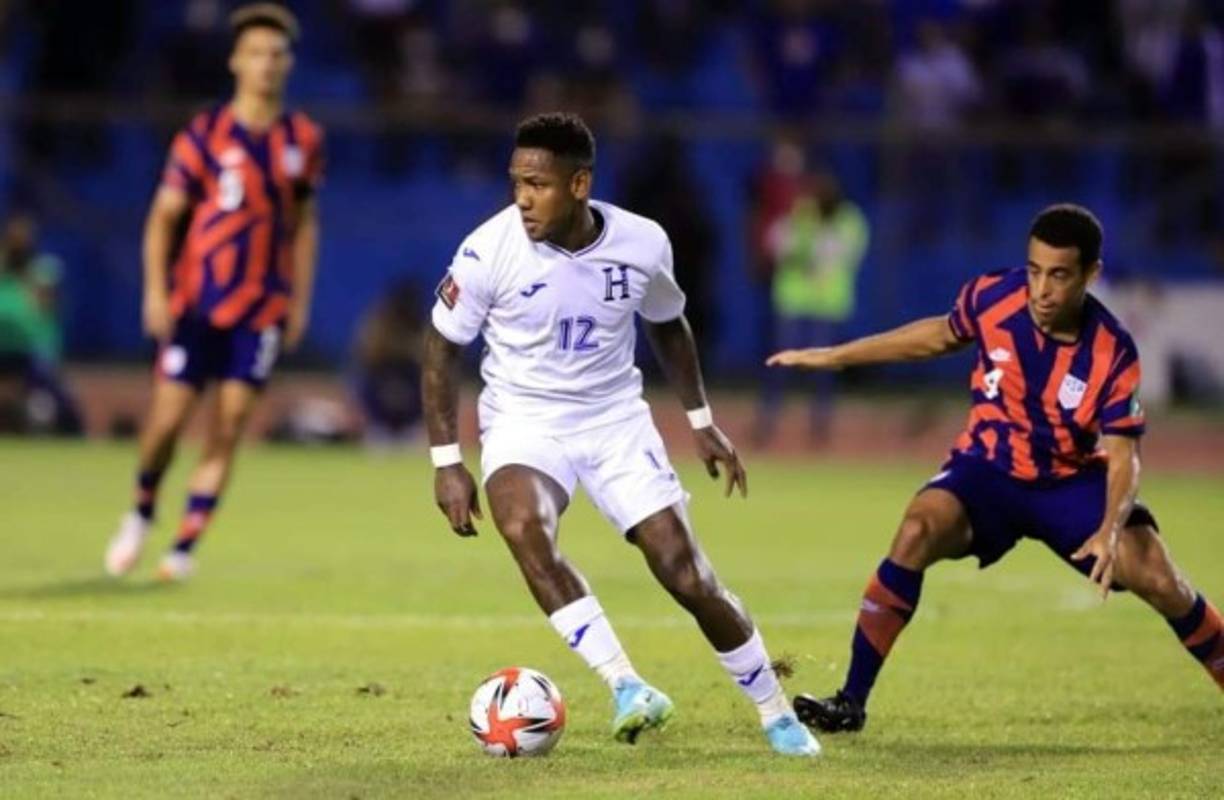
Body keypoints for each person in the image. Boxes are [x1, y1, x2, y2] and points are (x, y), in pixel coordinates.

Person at [422, 112, 820, 756]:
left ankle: (776, 714)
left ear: (579, 184)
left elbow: (667, 322)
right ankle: (627, 686)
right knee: (523, 527)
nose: (522, 198)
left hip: (614, 422)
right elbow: (441, 348)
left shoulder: (642, 242)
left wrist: (701, 421)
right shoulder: (486, 250)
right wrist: (447, 461)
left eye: (537, 184)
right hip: (524, 419)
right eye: (516, 182)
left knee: (686, 574)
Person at [768, 204, 1223, 734]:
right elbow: (937, 335)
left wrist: (1110, 528)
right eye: (1035, 271)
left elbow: (1125, 455)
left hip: (1067, 485)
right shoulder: (993, 296)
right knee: (916, 530)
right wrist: (835, 356)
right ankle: (851, 702)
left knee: (1161, 579)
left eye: (1059, 275)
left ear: (1090, 274)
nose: (1041, 290)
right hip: (984, 473)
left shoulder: (1112, 350)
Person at [104, 3, 323, 581]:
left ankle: (182, 547)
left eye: (276, 54)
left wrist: (299, 302)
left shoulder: (302, 140)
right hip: (197, 302)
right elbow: (163, 218)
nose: (266, 64)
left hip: (262, 308)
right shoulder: (204, 135)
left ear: (288, 63)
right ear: (235, 61)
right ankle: (141, 510)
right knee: (166, 423)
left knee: (229, 425)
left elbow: (304, 226)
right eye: (255, 53)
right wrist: (155, 292)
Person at [755, 170, 868, 446]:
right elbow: (775, 244)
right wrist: (800, 244)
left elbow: (847, 254)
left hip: (828, 304)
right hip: (793, 299)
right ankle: (767, 421)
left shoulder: (849, 220)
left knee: (824, 369)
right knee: (780, 364)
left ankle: (820, 427)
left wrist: (813, 248)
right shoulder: (800, 213)